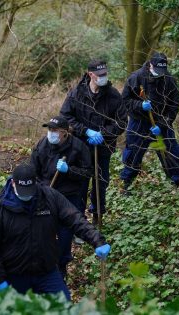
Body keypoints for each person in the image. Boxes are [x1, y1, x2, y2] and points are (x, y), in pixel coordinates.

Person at [0, 163, 111, 301]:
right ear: (13, 183)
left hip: (46, 271)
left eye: (30, 190)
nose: (27, 195)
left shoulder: (49, 197)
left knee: (63, 304)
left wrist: (97, 240)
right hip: (14, 274)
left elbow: (74, 218)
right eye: (22, 190)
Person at [60, 59, 127, 224]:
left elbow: (121, 122)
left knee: (100, 183)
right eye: (100, 75)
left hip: (103, 148)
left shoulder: (113, 95)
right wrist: (85, 131)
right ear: (91, 75)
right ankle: (79, 220)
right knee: (80, 183)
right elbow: (65, 116)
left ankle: (98, 215)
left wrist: (103, 134)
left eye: (105, 74)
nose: (104, 77)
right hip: (80, 147)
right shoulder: (77, 93)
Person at [30, 115, 93, 277]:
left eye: (55, 130)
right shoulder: (42, 145)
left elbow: (87, 173)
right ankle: (44, 263)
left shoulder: (79, 148)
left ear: (65, 132)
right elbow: (33, 170)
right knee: (44, 230)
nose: (51, 133)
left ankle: (62, 266)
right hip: (46, 193)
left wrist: (69, 170)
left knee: (65, 233)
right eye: (49, 129)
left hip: (69, 197)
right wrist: (39, 189)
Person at [119, 52, 179, 193]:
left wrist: (163, 124)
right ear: (150, 65)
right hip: (139, 123)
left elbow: (174, 105)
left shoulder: (169, 79)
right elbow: (124, 101)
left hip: (161, 122)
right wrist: (139, 105)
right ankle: (126, 185)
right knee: (133, 154)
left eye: (163, 70)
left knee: (171, 154)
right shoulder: (136, 78)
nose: (160, 73)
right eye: (157, 70)